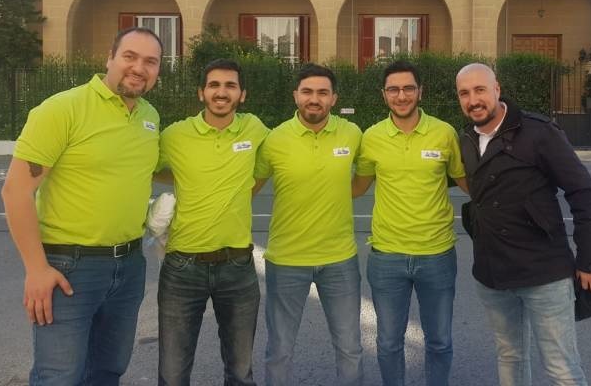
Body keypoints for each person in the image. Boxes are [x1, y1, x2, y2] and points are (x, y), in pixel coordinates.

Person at [1, 26, 163, 385]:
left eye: (150, 61)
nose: (139, 68)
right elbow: (15, 192)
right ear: (109, 58)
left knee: (107, 371)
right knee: (59, 376)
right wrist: (36, 269)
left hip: (130, 266)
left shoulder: (150, 117)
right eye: (130, 56)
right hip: (69, 268)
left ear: (158, 71)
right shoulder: (62, 109)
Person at [454, 63, 591, 386]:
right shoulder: (465, 139)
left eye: (480, 90)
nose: (473, 100)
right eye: (464, 93)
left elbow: (583, 193)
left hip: (544, 273)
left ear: (497, 89)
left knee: (561, 368)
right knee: (510, 356)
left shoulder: (538, 132)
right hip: (492, 275)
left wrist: (590, 261)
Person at [353, 60, 467, 386]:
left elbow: (466, 181)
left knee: (440, 341)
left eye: (408, 88)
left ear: (420, 92)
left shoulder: (444, 133)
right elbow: (356, 187)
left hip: (437, 254)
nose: (401, 96)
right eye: (393, 89)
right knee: (389, 343)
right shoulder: (372, 137)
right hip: (387, 256)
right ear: (384, 94)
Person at [155, 59, 269, 386]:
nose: (221, 92)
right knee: (172, 374)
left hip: (238, 266)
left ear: (242, 94)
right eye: (214, 85)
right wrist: (184, 178)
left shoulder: (255, 129)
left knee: (241, 372)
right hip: (182, 267)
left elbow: (267, 167)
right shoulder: (174, 135)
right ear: (201, 92)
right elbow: (146, 167)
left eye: (230, 85)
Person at [254, 64, 363, 386]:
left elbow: (362, 182)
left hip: (340, 259)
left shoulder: (352, 134)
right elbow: (248, 188)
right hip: (286, 260)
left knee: (350, 348)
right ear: (295, 96)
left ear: (334, 98)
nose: (314, 99)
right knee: (279, 350)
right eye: (307, 92)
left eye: (322, 92)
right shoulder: (274, 139)